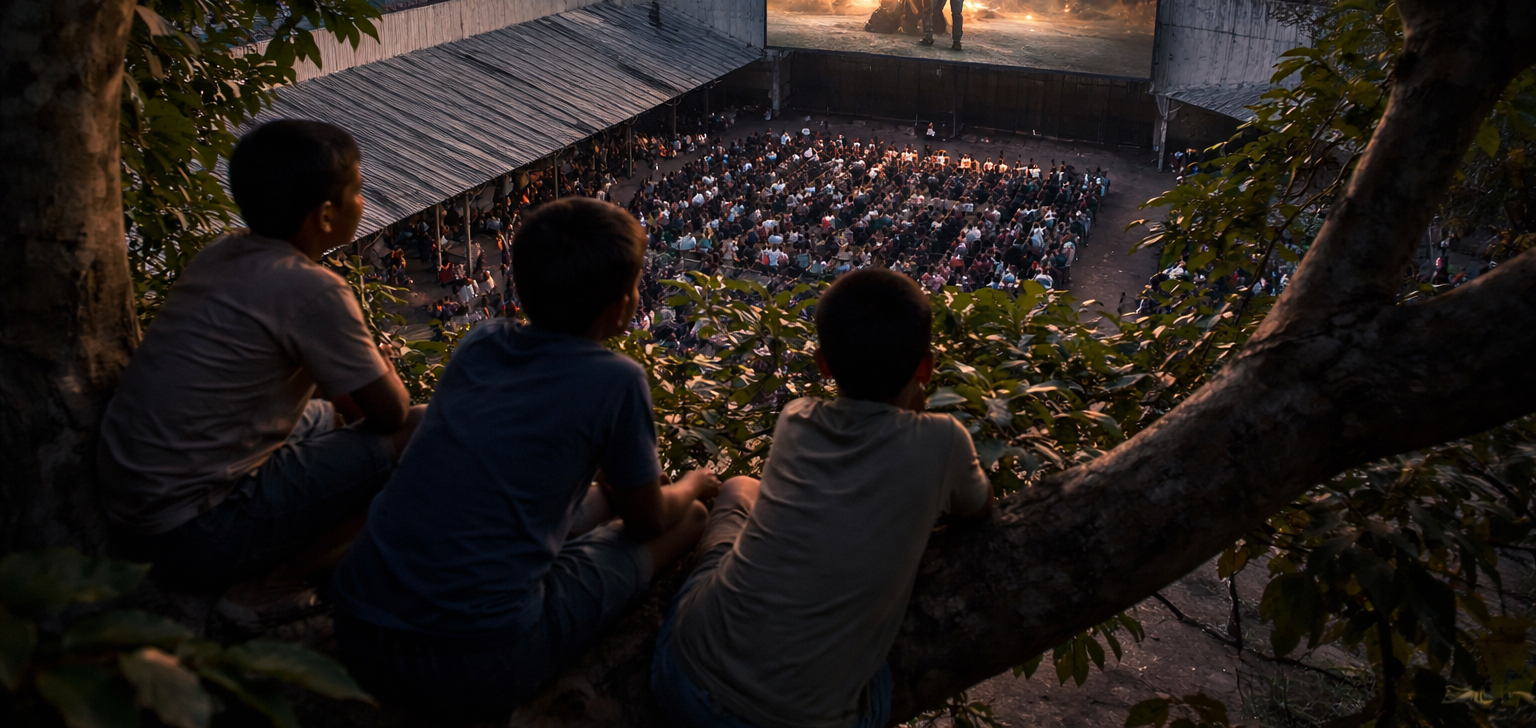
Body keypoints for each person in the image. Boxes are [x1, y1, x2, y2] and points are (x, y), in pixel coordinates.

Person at [331, 197, 719, 718]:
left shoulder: (482, 341)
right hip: (475, 659)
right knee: (688, 519)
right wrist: (693, 483)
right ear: (622, 306)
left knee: (603, 500)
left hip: (356, 622)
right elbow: (648, 518)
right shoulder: (617, 380)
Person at [97, 120, 423, 629]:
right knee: (423, 429)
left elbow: (346, 408)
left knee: (321, 419)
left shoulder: (220, 254)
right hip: (193, 533)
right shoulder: (312, 290)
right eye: (358, 190)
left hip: (127, 506)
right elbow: (391, 413)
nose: (365, 201)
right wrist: (370, 357)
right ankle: (277, 582)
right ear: (326, 215)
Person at [651, 268, 993, 728]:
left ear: (823, 364)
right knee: (880, 680)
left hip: (684, 678)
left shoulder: (796, 417)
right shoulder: (944, 441)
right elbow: (980, 507)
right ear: (926, 367)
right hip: (807, 720)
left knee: (738, 489)